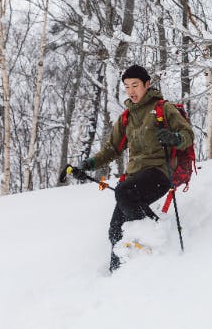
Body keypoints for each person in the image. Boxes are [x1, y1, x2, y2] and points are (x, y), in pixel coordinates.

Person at [74, 64, 194, 272]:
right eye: (127, 86)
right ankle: (118, 275)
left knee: (124, 191)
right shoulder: (126, 117)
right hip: (134, 177)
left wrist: (174, 138)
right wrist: (89, 164)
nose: (131, 91)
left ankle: (156, 231)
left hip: (159, 173)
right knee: (114, 230)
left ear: (147, 84)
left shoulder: (163, 109)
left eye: (135, 85)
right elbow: (112, 148)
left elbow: (188, 135)